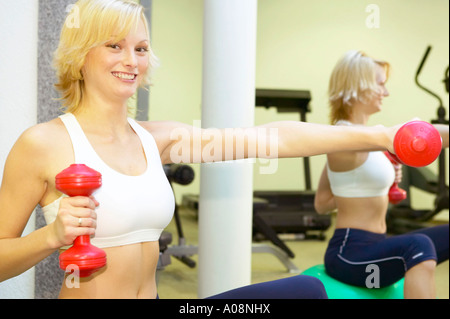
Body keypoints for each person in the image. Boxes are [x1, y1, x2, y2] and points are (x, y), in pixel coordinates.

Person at [0, 0, 404, 299]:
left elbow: (273, 138)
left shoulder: (157, 140)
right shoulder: (43, 144)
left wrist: (382, 137)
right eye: (114, 46)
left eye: (140, 49)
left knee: (306, 291)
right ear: (80, 55)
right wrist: (51, 236)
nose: (132, 60)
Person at [314, 50, 449, 299]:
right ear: (358, 85)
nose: (385, 93)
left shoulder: (365, 138)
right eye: (380, 84)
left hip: (376, 245)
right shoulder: (341, 137)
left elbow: (322, 203)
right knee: (419, 245)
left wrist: (360, 187)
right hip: (349, 254)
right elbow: (416, 134)